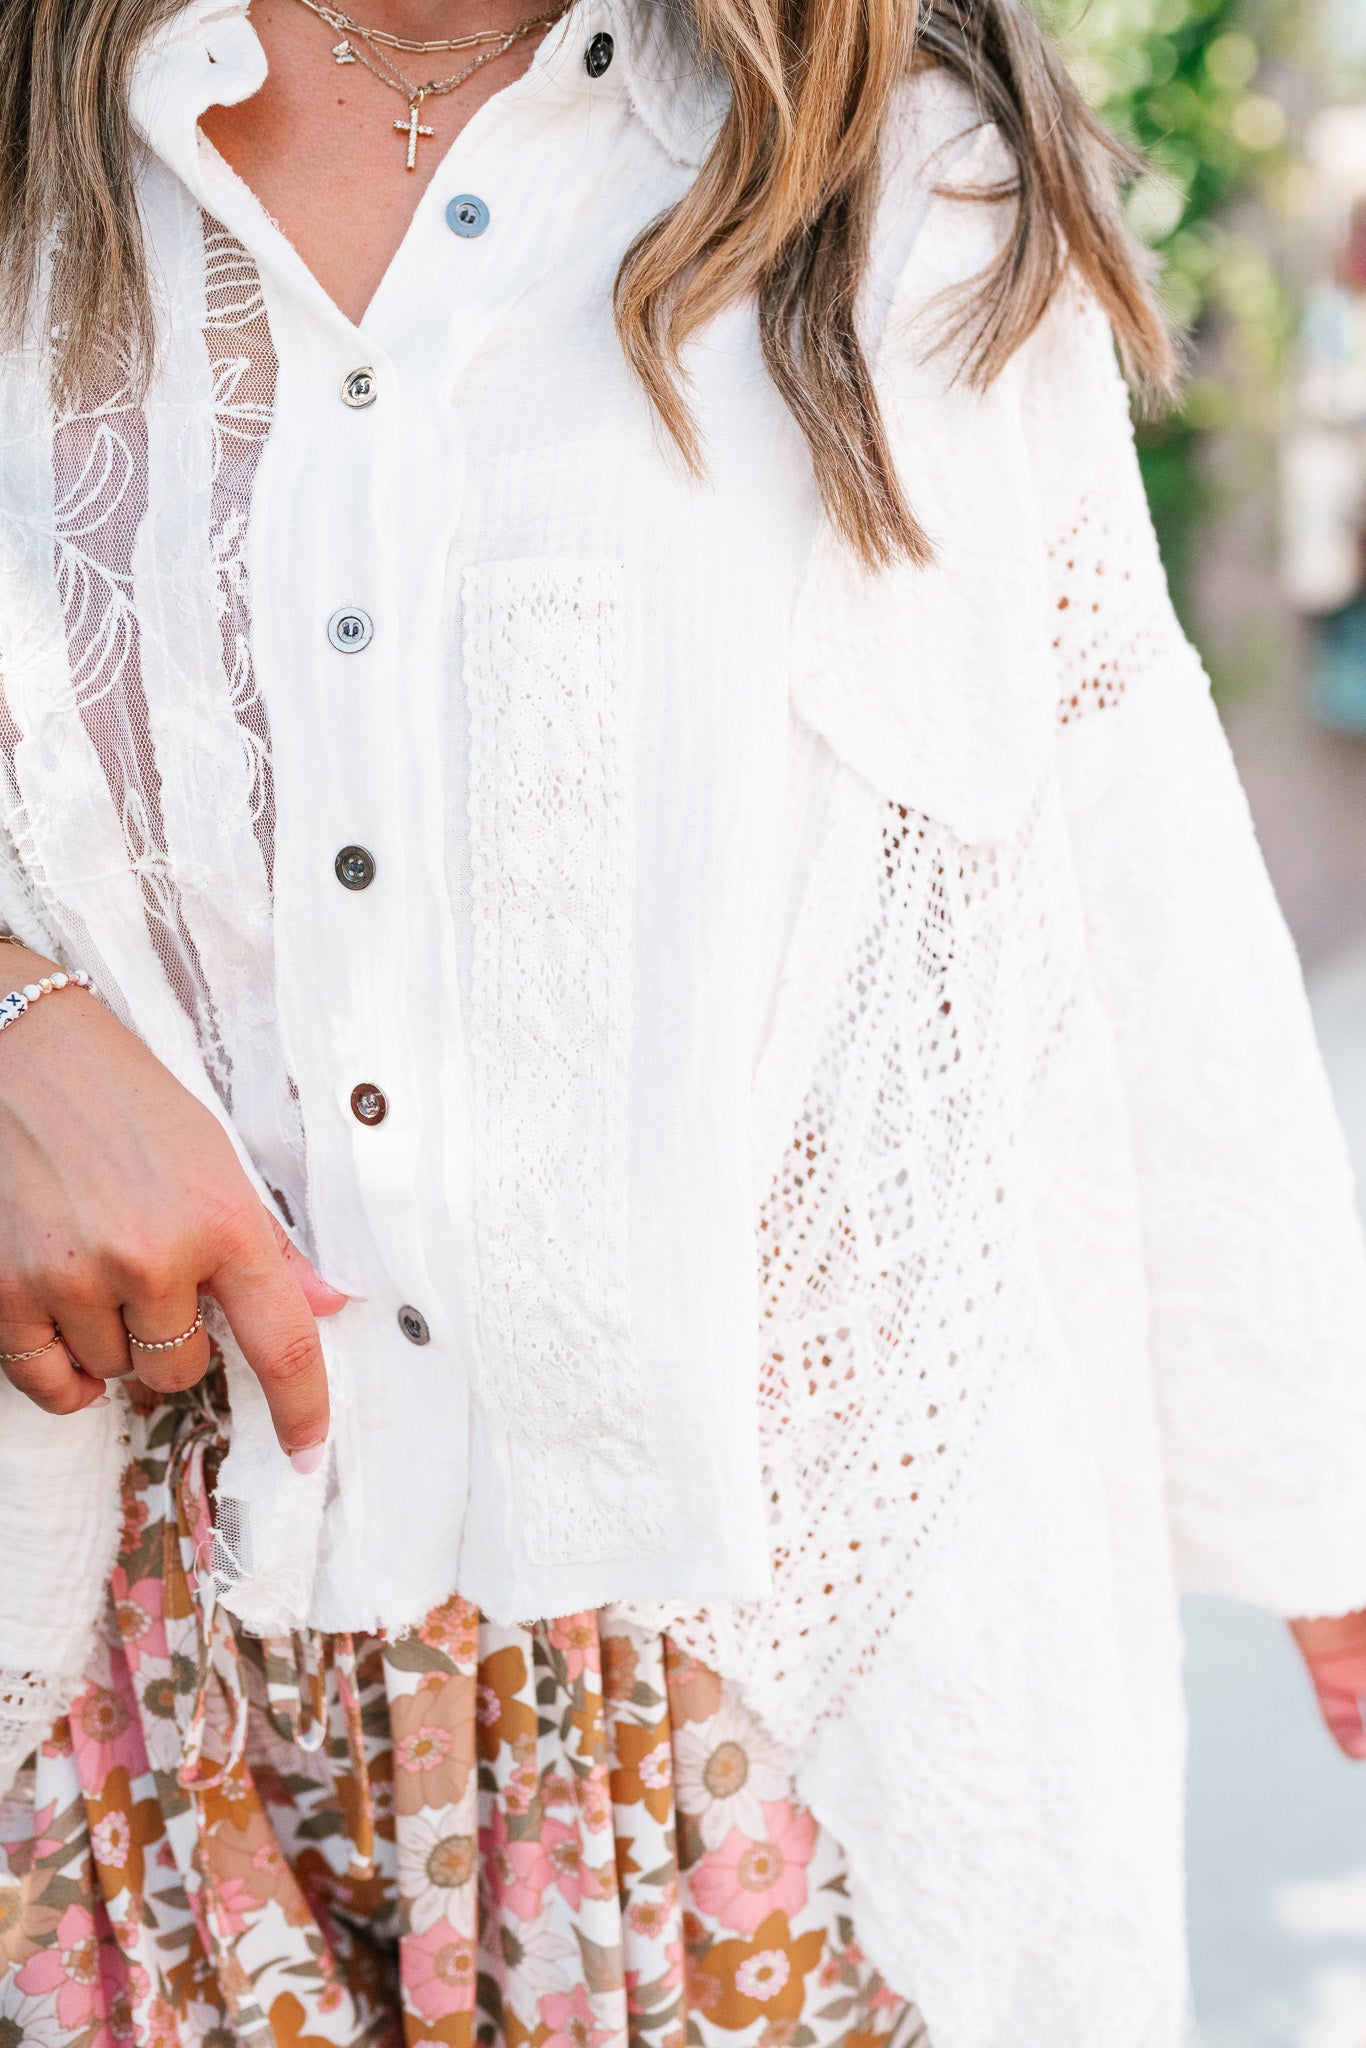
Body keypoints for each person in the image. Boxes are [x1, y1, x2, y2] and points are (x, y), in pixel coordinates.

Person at [1, 0, 1365, 2043]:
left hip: (760, 1735)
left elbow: (1105, 829)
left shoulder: (903, 171)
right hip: (125, 1715)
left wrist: (1311, 1491)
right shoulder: (44, 150)